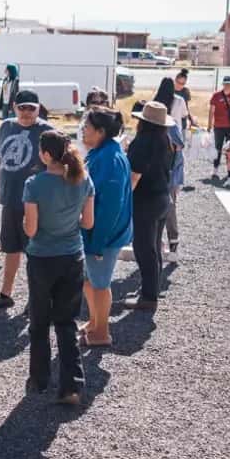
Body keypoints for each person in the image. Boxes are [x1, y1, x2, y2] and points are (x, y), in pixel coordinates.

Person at [22, 130, 94, 405]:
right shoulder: (84, 180)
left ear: (46, 154)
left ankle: (39, 380)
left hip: (42, 258)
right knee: (67, 323)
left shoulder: (34, 184)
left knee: (39, 322)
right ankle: (71, 385)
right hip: (73, 256)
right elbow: (87, 223)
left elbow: (31, 229)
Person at [0, 90, 54, 308]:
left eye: (31, 108)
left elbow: (56, 168)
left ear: (38, 108)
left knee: (35, 252)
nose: (26, 112)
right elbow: (0, 159)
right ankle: (6, 294)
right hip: (9, 198)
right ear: (14, 107)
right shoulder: (6, 126)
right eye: (22, 107)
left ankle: (38, 298)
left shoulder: (47, 131)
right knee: (10, 248)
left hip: (34, 203)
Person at [80, 108, 131, 347]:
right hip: (95, 233)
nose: (83, 130)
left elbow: (110, 206)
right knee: (90, 281)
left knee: (100, 283)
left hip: (104, 235)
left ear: (100, 132)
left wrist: (98, 241)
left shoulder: (109, 159)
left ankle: (102, 331)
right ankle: (94, 321)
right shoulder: (101, 152)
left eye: (87, 127)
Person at [127, 101, 175, 308]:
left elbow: (134, 176)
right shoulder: (166, 140)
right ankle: (151, 291)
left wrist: (123, 198)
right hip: (163, 197)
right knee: (154, 247)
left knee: (144, 249)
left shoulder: (142, 142)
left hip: (145, 200)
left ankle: (148, 297)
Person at [151, 79, 187, 257]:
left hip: (162, 168)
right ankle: (169, 241)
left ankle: (167, 241)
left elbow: (179, 145)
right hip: (169, 168)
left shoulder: (157, 116)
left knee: (166, 205)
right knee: (169, 205)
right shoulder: (176, 109)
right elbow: (180, 144)